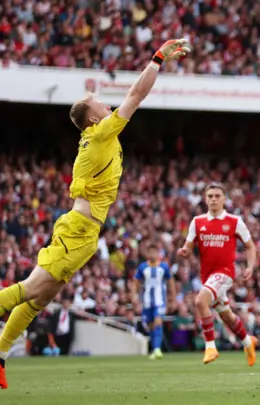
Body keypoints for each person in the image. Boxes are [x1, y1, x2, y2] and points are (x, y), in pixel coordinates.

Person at [0, 38, 190, 389]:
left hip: (84, 233)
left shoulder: (98, 136)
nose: (106, 104)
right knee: (30, 289)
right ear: (92, 116)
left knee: (40, 298)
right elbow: (136, 96)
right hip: (78, 229)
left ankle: (1, 352)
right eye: (99, 103)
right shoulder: (101, 132)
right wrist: (158, 58)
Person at [177, 183, 258, 366]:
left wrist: (250, 266)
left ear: (224, 199)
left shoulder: (234, 221)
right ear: (205, 199)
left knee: (200, 301)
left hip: (225, 273)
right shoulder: (197, 222)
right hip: (207, 276)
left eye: (217, 196)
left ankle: (210, 346)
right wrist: (184, 251)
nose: (213, 199)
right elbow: (188, 247)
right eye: (210, 196)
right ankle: (248, 342)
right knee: (226, 315)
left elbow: (250, 245)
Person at [131, 243, 177, 360]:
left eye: (155, 252)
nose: (153, 254)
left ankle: (157, 350)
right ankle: (155, 348)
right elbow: (135, 282)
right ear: (147, 253)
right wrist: (134, 296)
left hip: (160, 301)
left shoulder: (164, 267)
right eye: (150, 252)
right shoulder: (142, 267)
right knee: (151, 325)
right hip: (146, 301)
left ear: (158, 253)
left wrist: (173, 298)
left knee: (158, 322)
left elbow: (171, 282)